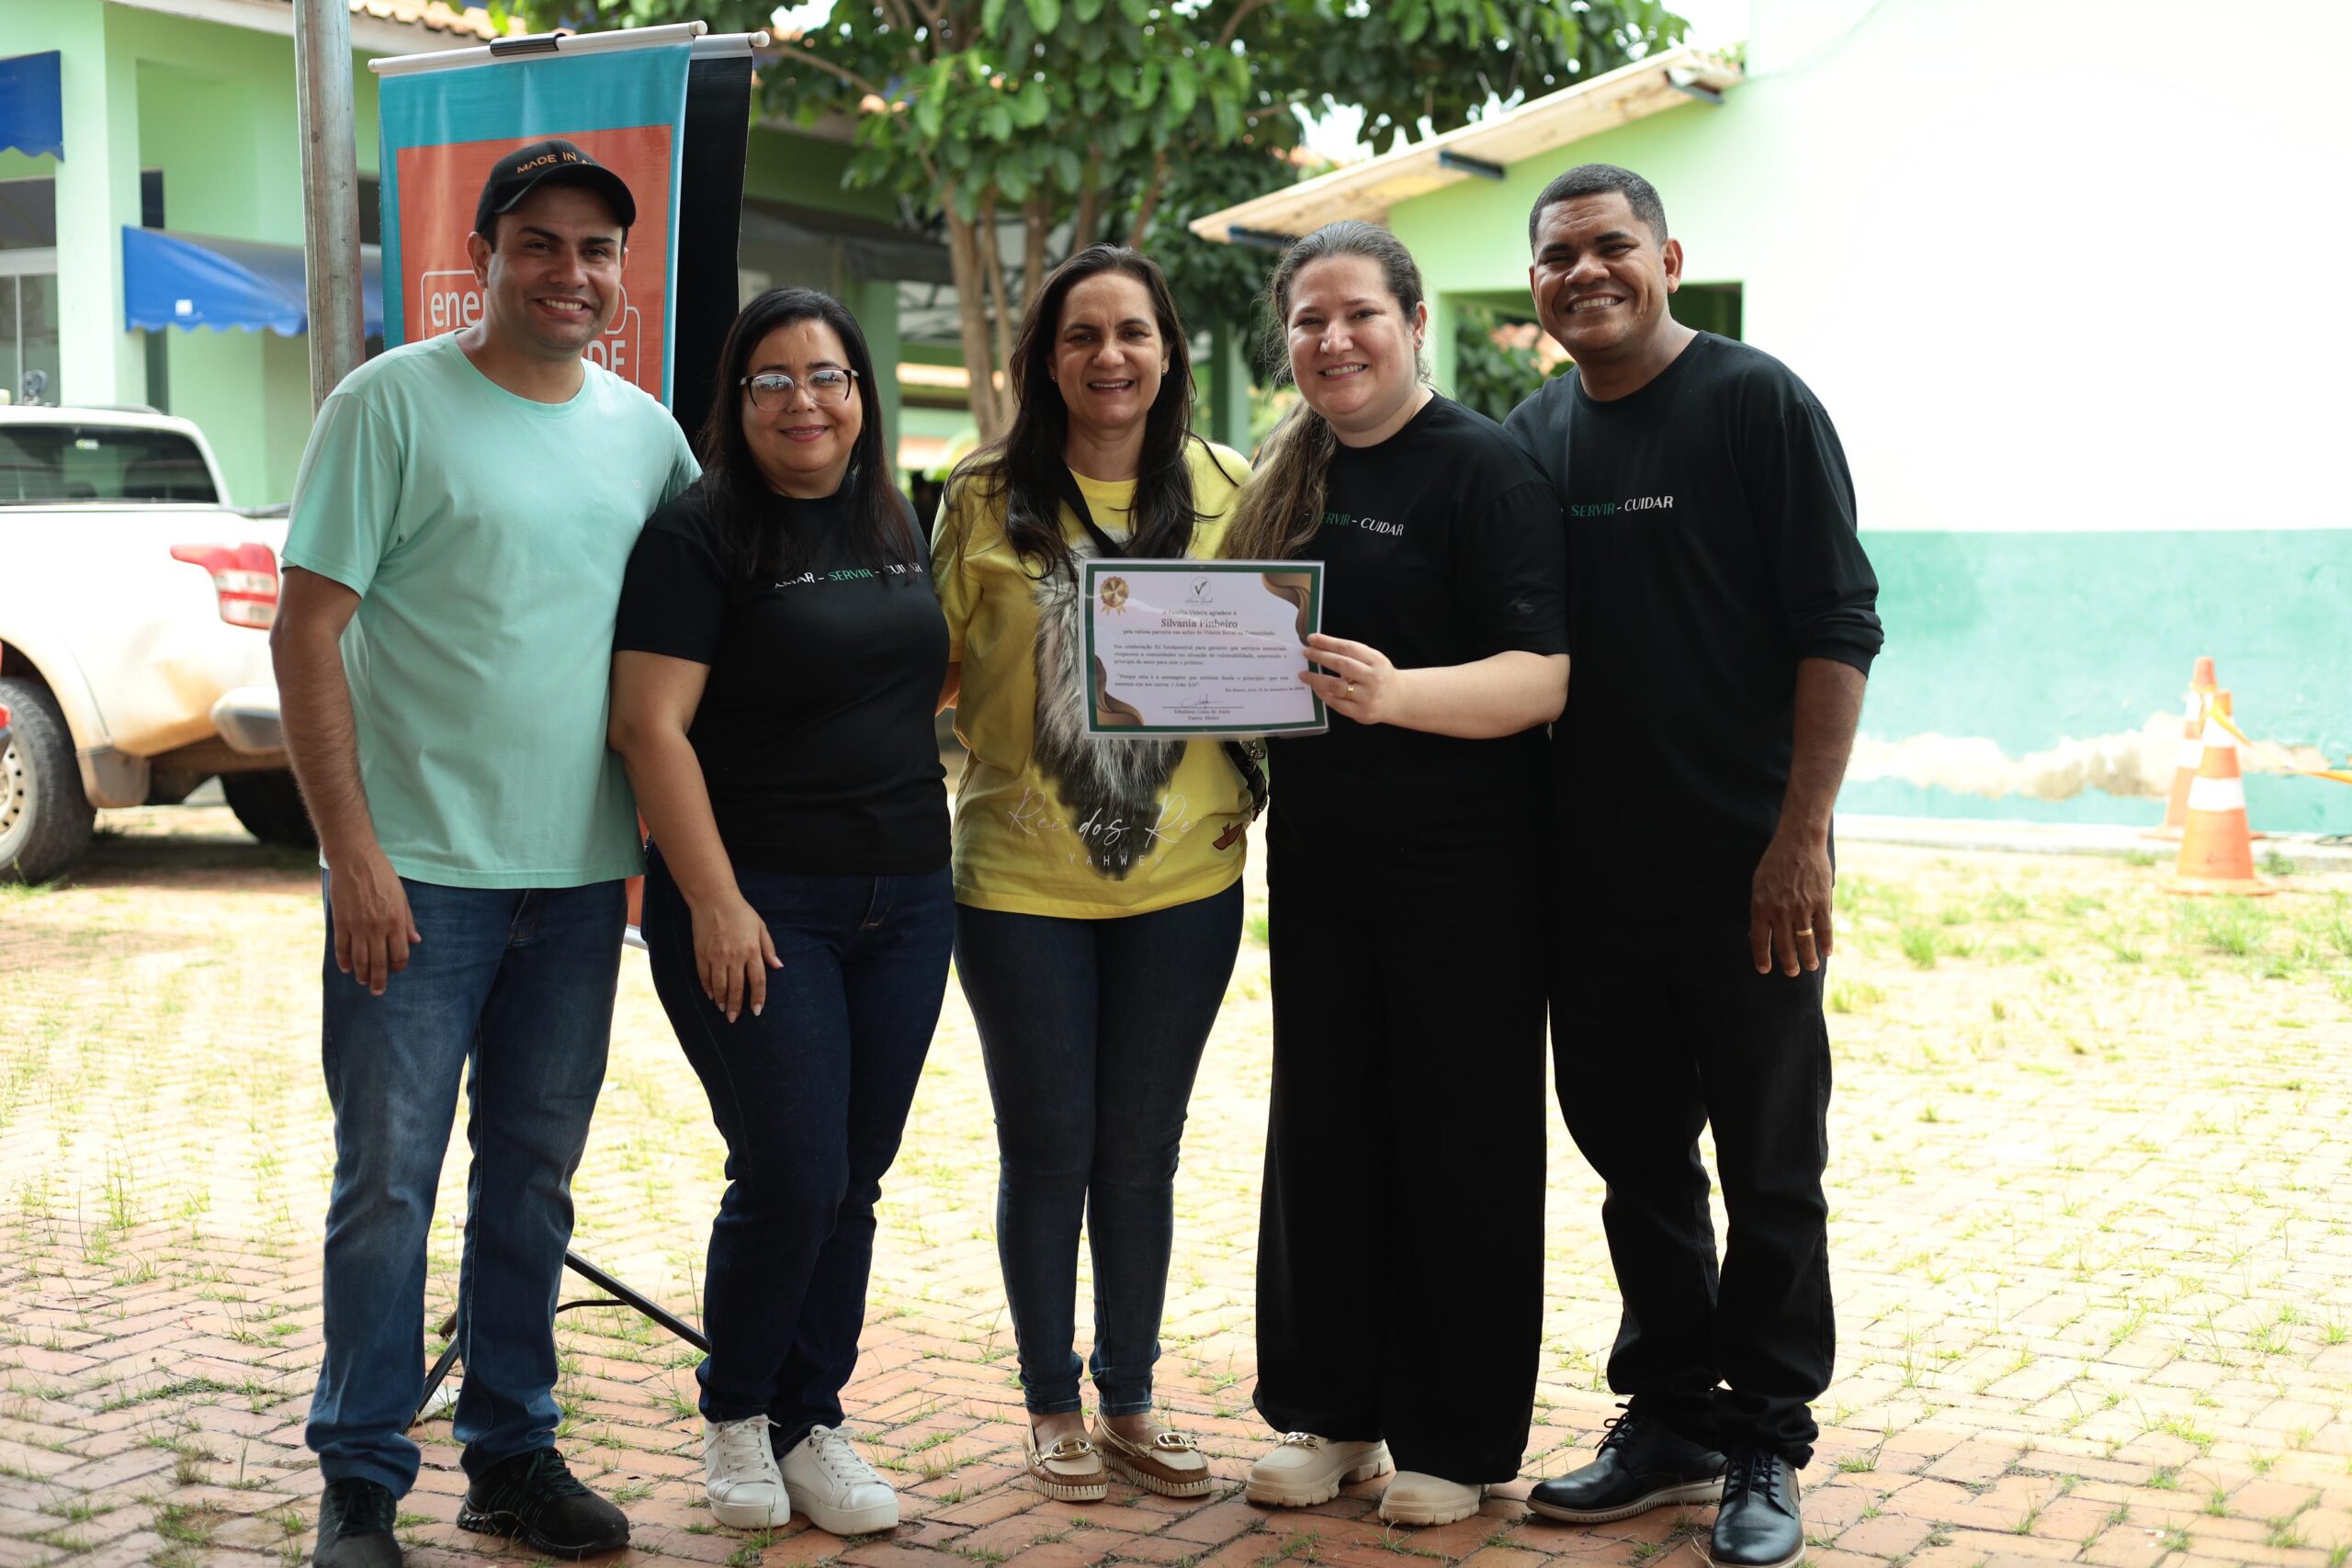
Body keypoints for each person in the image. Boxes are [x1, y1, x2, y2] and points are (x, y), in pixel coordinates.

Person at [272, 140, 702, 1568]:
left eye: (596, 250)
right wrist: (356, 855)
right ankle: (362, 1478)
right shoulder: (387, 406)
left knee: (531, 1178)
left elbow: (700, 642)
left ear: (621, 275)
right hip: (417, 880)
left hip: (581, 880)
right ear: (484, 255)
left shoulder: (647, 436)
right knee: (386, 1183)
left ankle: (510, 1453)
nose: (570, 273)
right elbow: (307, 636)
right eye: (541, 244)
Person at [1502, 164, 1883, 1568]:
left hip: (1746, 878)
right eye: (1557, 257)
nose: (1583, 274)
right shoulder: (1533, 435)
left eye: (1610, 249)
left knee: (1775, 1169)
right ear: (1533, 283)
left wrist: (1801, 838)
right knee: (1637, 1164)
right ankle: (1668, 1418)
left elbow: (1837, 624)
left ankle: (1767, 1443)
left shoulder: (1753, 402)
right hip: (1590, 884)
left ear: (1667, 257)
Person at [1228, 220, 1569, 1528]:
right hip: (1321, 866)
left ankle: (1459, 1435)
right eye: (1309, 321)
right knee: (1326, 1135)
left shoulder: (1487, 471)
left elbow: (1544, 677)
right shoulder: (1287, 472)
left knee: (1460, 1140)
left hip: (1469, 876)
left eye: (1358, 313)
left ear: (1412, 322)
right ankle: (1337, 1416)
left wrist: (1399, 694)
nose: (1333, 339)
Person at [608, 288, 951, 1537]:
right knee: (792, 1170)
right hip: (762, 906)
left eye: (829, 376)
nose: (805, 402)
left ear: (862, 392)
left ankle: (817, 1418)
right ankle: (738, 1410)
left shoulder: (893, 513)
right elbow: (649, 728)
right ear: (734, 400)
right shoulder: (698, 536)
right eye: (773, 381)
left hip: (909, 898)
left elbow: (914, 677)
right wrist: (711, 901)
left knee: (853, 1176)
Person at [933, 244, 1253, 1501]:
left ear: (1168, 350)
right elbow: (933, 667)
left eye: (1132, 333)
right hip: (1016, 881)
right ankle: (1050, 1400)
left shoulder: (1237, 487)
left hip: (1188, 878)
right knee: (1047, 1144)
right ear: (1043, 360)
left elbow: (1272, 661)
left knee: (1142, 1147)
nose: (1108, 357)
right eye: (1080, 337)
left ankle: (1129, 1393)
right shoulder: (975, 493)